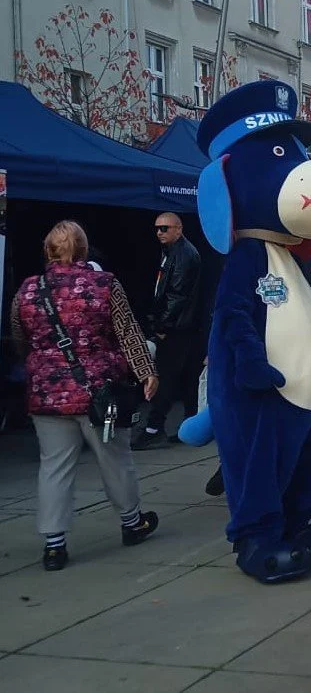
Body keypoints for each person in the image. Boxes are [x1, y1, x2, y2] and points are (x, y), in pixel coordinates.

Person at [10, 221, 160, 571]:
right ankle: (132, 522)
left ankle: (54, 544)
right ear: (83, 250)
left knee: (54, 466)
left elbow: (20, 337)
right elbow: (127, 332)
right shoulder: (104, 284)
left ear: (48, 251)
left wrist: (40, 368)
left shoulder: (28, 289)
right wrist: (146, 372)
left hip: (46, 394)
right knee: (115, 458)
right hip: (99, 392)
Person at [132, 212, 201, 450]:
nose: (160, 232)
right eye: (157, 228)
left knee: (166, 376)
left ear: (179, 229)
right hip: (181, 325)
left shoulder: (183, 255)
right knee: (186, 376)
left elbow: (177, 295)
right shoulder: (173, 252)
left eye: (165, 228)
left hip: (178, 327)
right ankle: (190, 425)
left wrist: (162, 327)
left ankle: (154, 427)